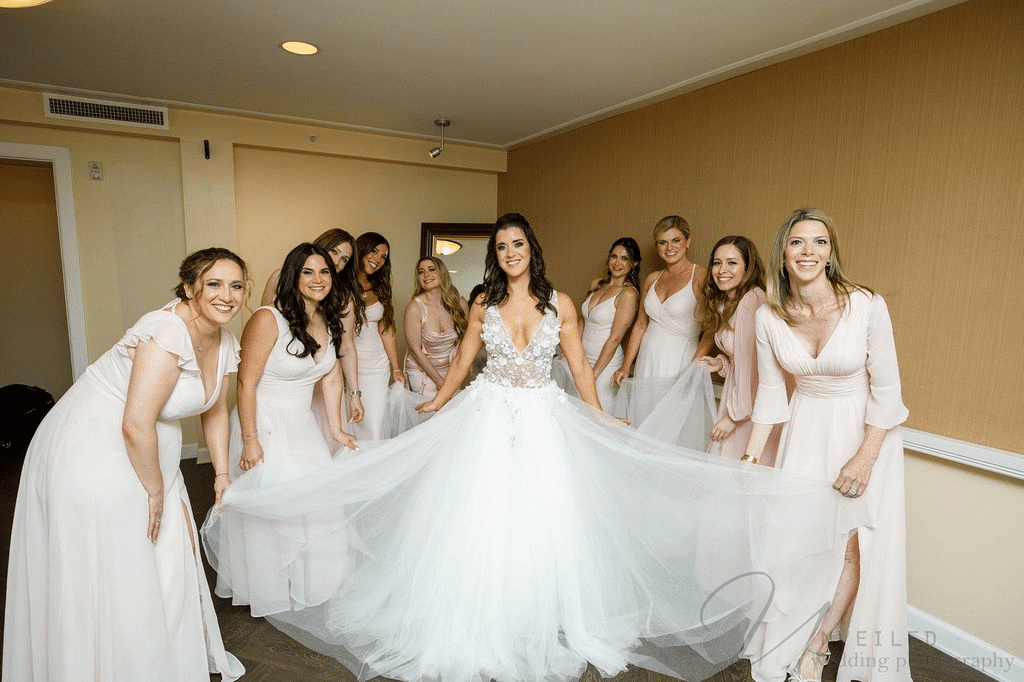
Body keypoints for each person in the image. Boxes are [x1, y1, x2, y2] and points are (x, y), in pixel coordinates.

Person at [204, 213, 865, 682]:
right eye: (502, 244)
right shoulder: (486, 297)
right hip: (489, 418)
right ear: (495, 255)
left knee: (544, 518)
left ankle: (545, 613)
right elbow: (464, 357)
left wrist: (602, 416)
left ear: (531, 249)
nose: (511, 251)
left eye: (518, 243)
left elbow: (579, 368)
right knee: (482, 518)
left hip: (544, 421)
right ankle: (470, 615)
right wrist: (434, 402)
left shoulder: (562, 303)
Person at [4, 248, 246, 681]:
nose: (226, 295)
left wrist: (222, 476)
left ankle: (159, 661)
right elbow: (135, 423)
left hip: (148, 442)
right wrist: (155, 490)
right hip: (94, 443)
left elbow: (213, 412)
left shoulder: (226, 340)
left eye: (236, 285)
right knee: (126, 550)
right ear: (189, 288)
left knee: (170, 549)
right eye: (214, 284)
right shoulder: (165, 331)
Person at [742, 208, 911, 682]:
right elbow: (771, 397)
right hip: (805, 429)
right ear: (783, 252)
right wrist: (750, 463)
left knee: (851, 547)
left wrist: (864, 457)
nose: (808, 252)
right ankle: (793, 636)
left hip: (865, 433)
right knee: (800, 543)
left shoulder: (866, 304)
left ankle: (817, 644)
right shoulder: (768, 315)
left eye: (819, 242)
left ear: (831, 252)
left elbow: (889, 391)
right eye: (798, 242)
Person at [205, 243, 359, 616]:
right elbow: (246, 382)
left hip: (302, 425)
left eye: (324, 272)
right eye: (308, 272)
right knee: (270, 511)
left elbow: (332, 376)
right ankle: (268, 587)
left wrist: (336, 430)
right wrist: (251, 439)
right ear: (293, 275)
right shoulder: (267, 318)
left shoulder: (328, 319)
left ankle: (315, 582)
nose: (318, 279)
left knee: (316, 501)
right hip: (265, 423)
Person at [612, 216, 714, 448]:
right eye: (662, 242)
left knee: (673, 429)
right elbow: (640, 325)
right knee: (644, 425)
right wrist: (627, 365)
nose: (669, 248)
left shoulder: (700, 276)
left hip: (679, 362)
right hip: (648, 362)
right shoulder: (652, 278)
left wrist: (693, 367)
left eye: (675, 240)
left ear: (688, 241)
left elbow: (711, 327)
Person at [262, 229, 364, 429]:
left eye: (345, 259)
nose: (337, 262)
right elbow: (263, 329)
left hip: (323, 377)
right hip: (282, 377)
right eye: (334, 252)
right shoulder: (279, 278)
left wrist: (354, 394)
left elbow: (347, 346)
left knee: (325, 435)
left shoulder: (343, 296)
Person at [695, 236, 780, 463]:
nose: (722, 270)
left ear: (748, 267)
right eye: (717, 262)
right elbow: (743, 356)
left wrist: (733, 417)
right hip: (738, 399)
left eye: (732, 263)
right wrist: (721, 362)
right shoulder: (728, 302)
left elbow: (758, 371)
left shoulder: (751, 301)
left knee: (739, 471)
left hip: (750, 408)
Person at [576, 237, 641, 412]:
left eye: (625, 258)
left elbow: (615, 338)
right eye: (614, 256)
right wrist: (571, 352)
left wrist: (594, 373)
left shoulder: (628, 294)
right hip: (583, 358)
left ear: (633, 263)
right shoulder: (597, 284)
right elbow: (584, 320)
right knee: (577, 414)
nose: (617, 262)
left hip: (605, 364)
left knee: (598, 416)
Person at [351, 231, 405, 439]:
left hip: (376, 366)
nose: (378, 260)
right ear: (361, 249)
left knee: (373, 424)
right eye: (374, 251)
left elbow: (386, 329)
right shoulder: (337, 283)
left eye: (383, 256)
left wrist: (396, 367)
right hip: (346, 363)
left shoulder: (381, 287)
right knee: (347, 422)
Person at [402, 256, 469, 398]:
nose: (426, 275)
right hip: (422, 371)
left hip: (450, 368)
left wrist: (454, 377)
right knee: (430, 414)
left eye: (432, 269)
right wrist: (440, 382)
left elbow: (466, 342)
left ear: (442, 273)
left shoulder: (459, 304)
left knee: (451, 414)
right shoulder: (414, 308)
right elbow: (416, 350)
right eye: (421, 272)